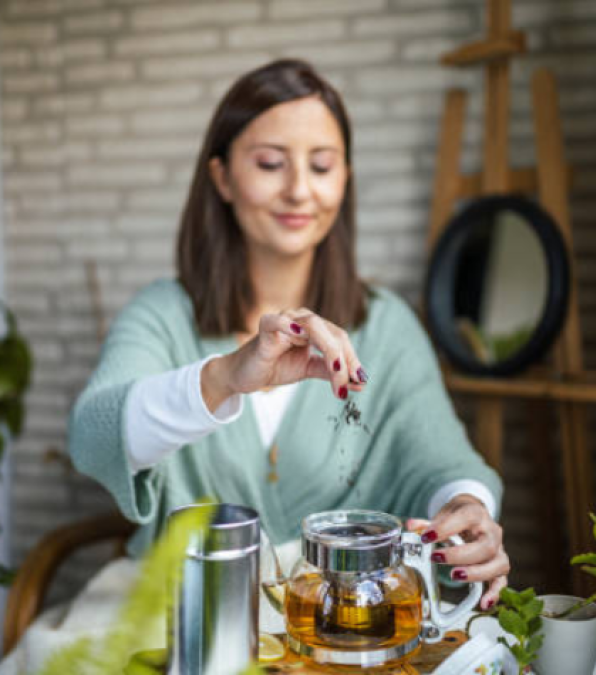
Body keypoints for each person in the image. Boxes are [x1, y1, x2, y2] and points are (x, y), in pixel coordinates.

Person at [64, 59, 508, 604]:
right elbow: (92, 436)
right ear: (223, 177)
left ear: (345, 179)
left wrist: (467, 509)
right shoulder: (163, 314)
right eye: (271, 163)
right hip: (179, 611)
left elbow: (443, 460)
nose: (300, 190)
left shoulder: (388, 325)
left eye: (322, 166)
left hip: (342, 618)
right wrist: (225, 376)